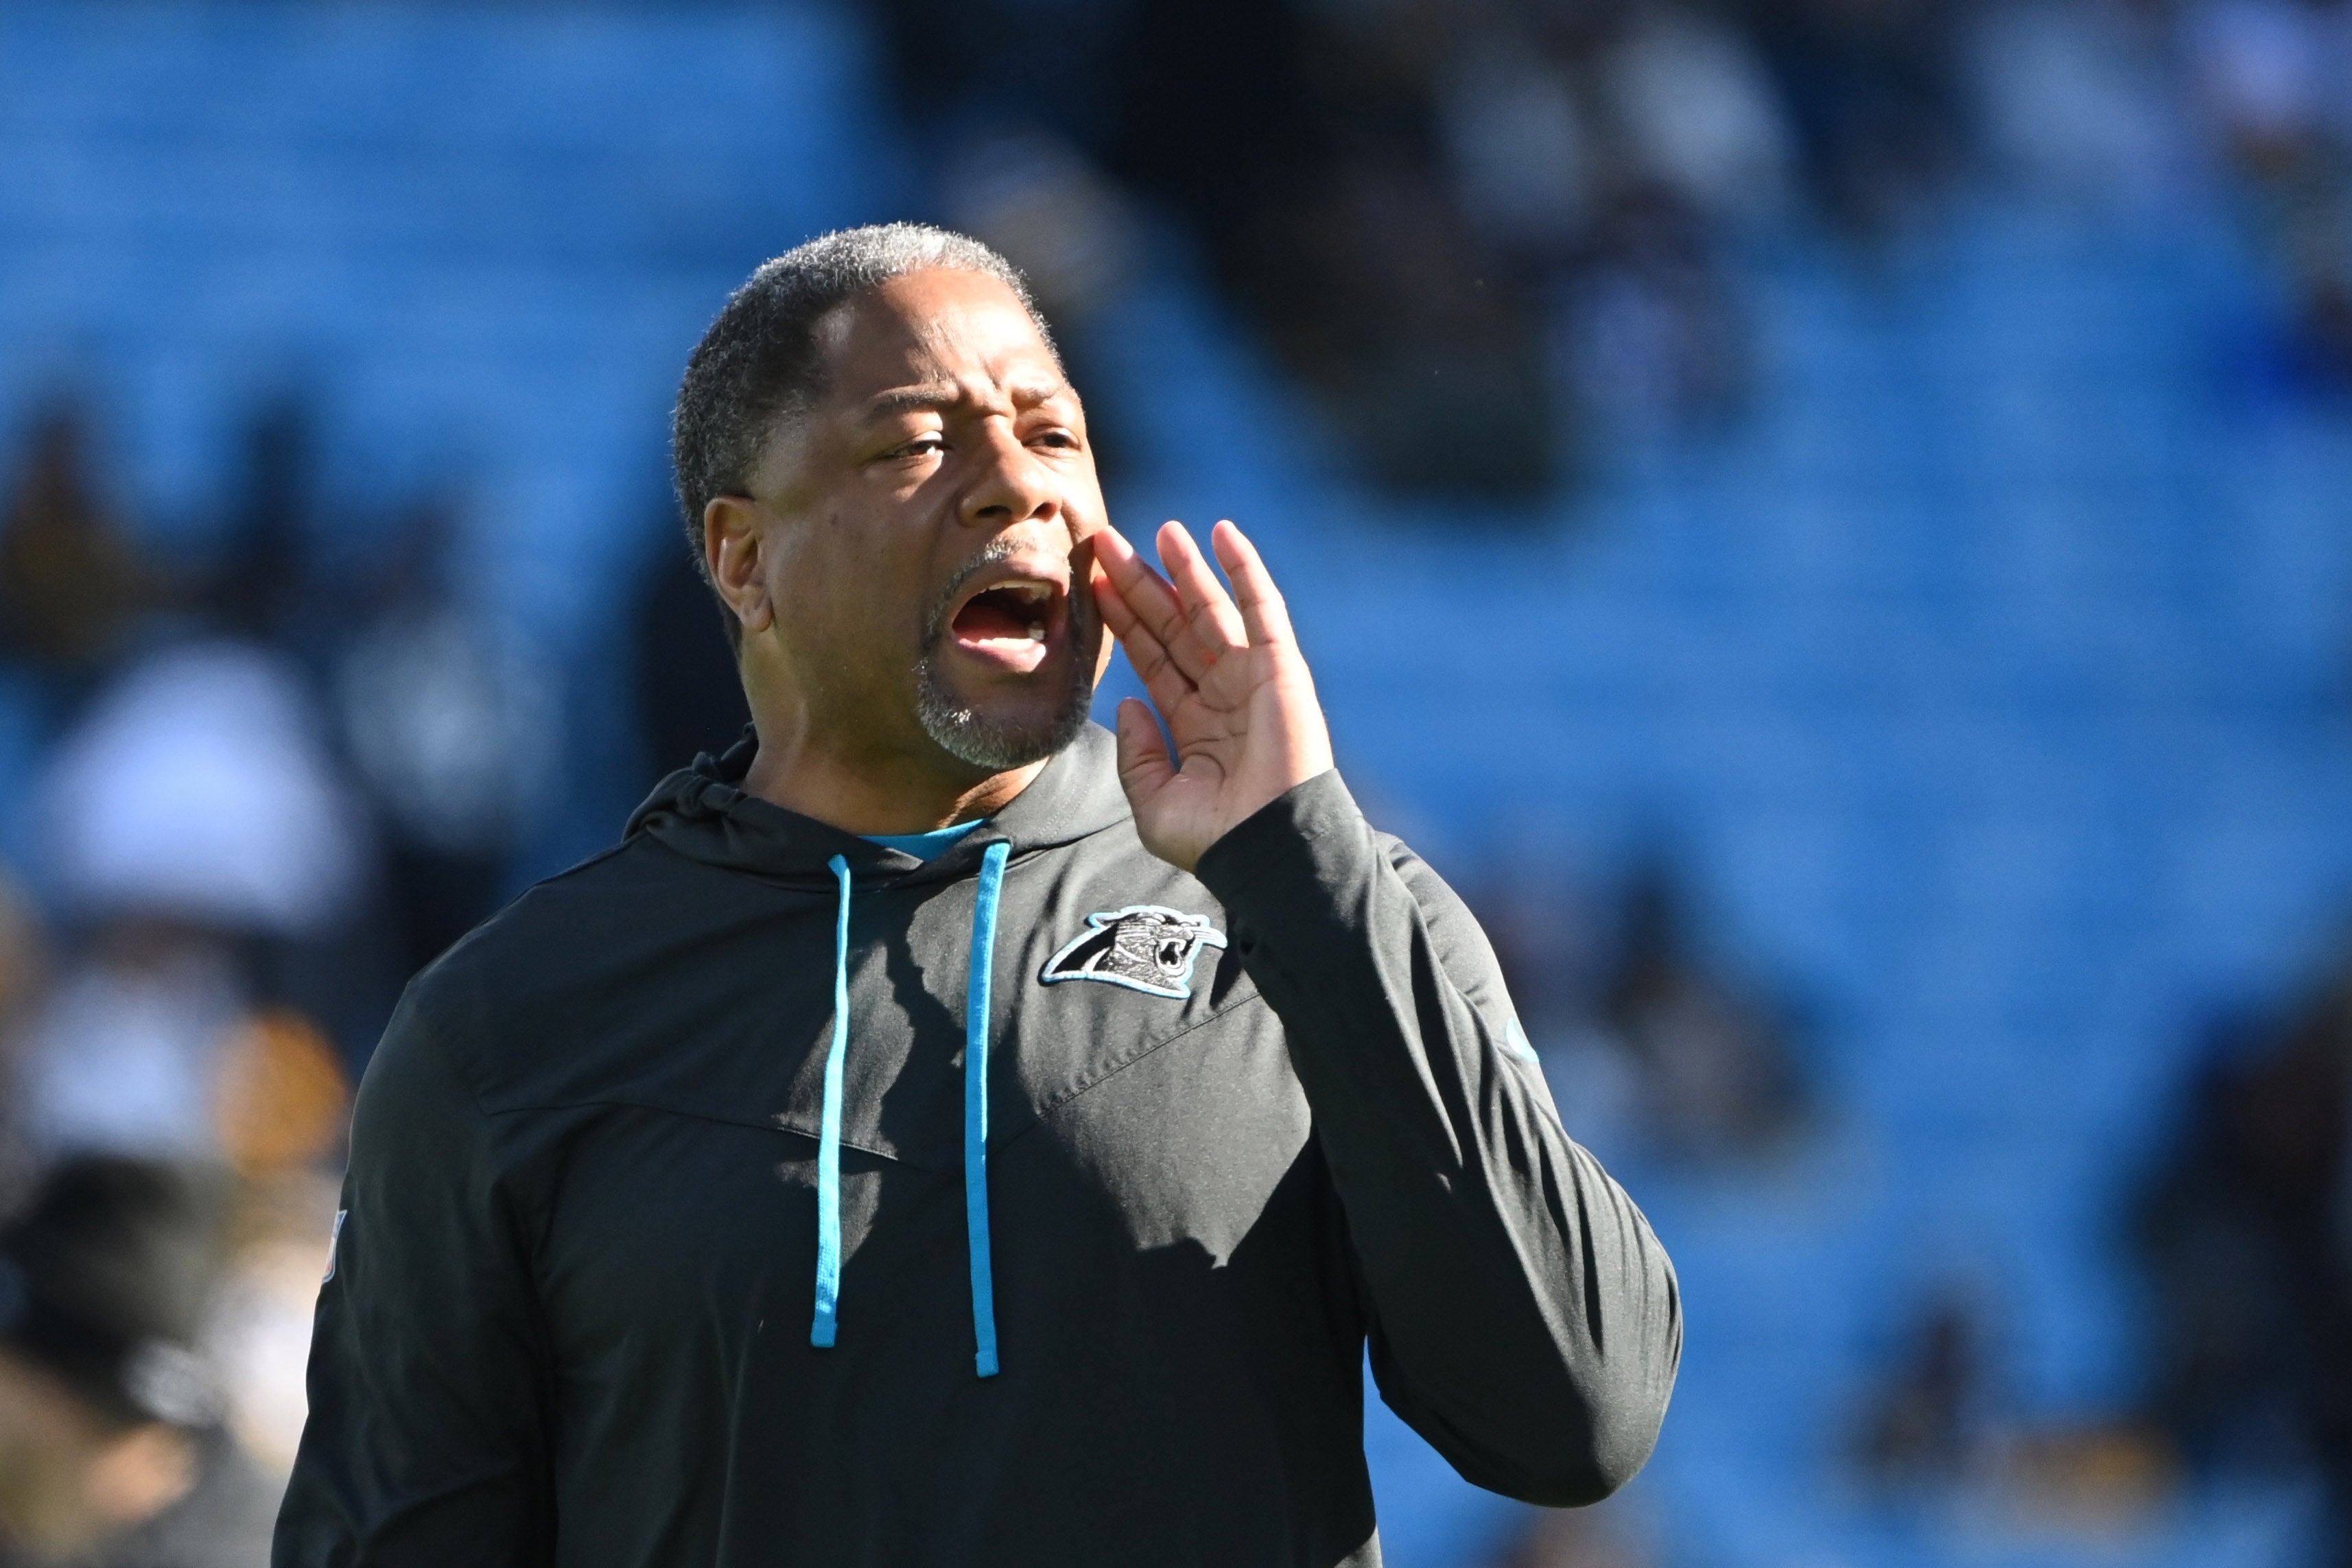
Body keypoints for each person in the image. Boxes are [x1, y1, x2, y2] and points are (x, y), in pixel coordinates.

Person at [274, 223, 1681, 1567]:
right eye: (918, 443)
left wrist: (1304, 867)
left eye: (1055, 433)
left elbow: (1576, 1417)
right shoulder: (510, 1027)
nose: (1019, 484)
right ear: (742, 557)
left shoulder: (1312, 916)